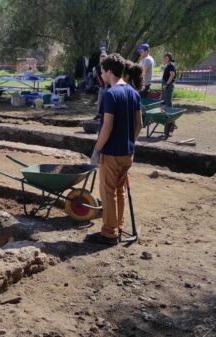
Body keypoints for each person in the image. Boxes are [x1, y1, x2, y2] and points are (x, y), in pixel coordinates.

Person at [87, 53, 142, 246]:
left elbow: (107, 126)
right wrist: (130, 143)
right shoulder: (133, 92)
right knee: (119, 191)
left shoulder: (110, 94)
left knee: (107, 192)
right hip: (128, 153)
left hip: (111, 154)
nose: (100, 74)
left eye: (102, 71)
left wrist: (97, 149)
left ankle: (109, 233)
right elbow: (139, 124)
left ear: (110, 71)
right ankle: (117, 225)